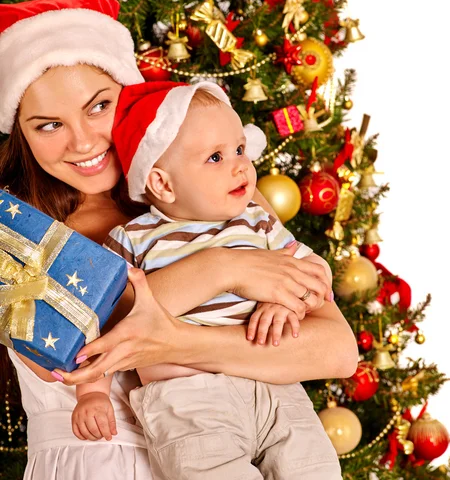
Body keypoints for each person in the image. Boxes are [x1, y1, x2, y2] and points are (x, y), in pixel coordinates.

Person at [0, 0, 358, 479]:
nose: (81, 142)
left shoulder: (220, 197)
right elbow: (74, 348)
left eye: (100, 106)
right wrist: (224, 268)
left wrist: (175, 338)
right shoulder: (14, 231)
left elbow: (337, 350)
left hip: (240, 444)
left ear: (130, 99)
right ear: (20, 131)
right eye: (48, 125)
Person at [71, 79, 343, 479]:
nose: (240, 165)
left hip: (276, 387)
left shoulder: (258, 222)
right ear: (162, 182)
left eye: (239, 149)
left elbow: (315, 273)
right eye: (215, 157)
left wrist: (286, 298)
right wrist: (92, 395)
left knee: (314, 468)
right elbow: (101, 324)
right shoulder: (132, 240)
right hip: (188, 401)